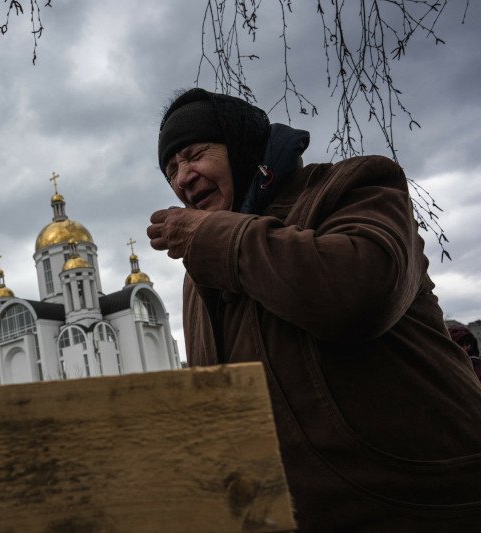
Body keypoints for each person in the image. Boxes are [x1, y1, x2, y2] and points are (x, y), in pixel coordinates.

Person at [147, 88, 481, 531]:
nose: (182, 178)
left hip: (422, 505)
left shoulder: (352, 186)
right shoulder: (199, 274)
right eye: (171, 169)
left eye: (193, 155)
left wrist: (214, 238)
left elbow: (361, 295)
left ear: (243, 146)